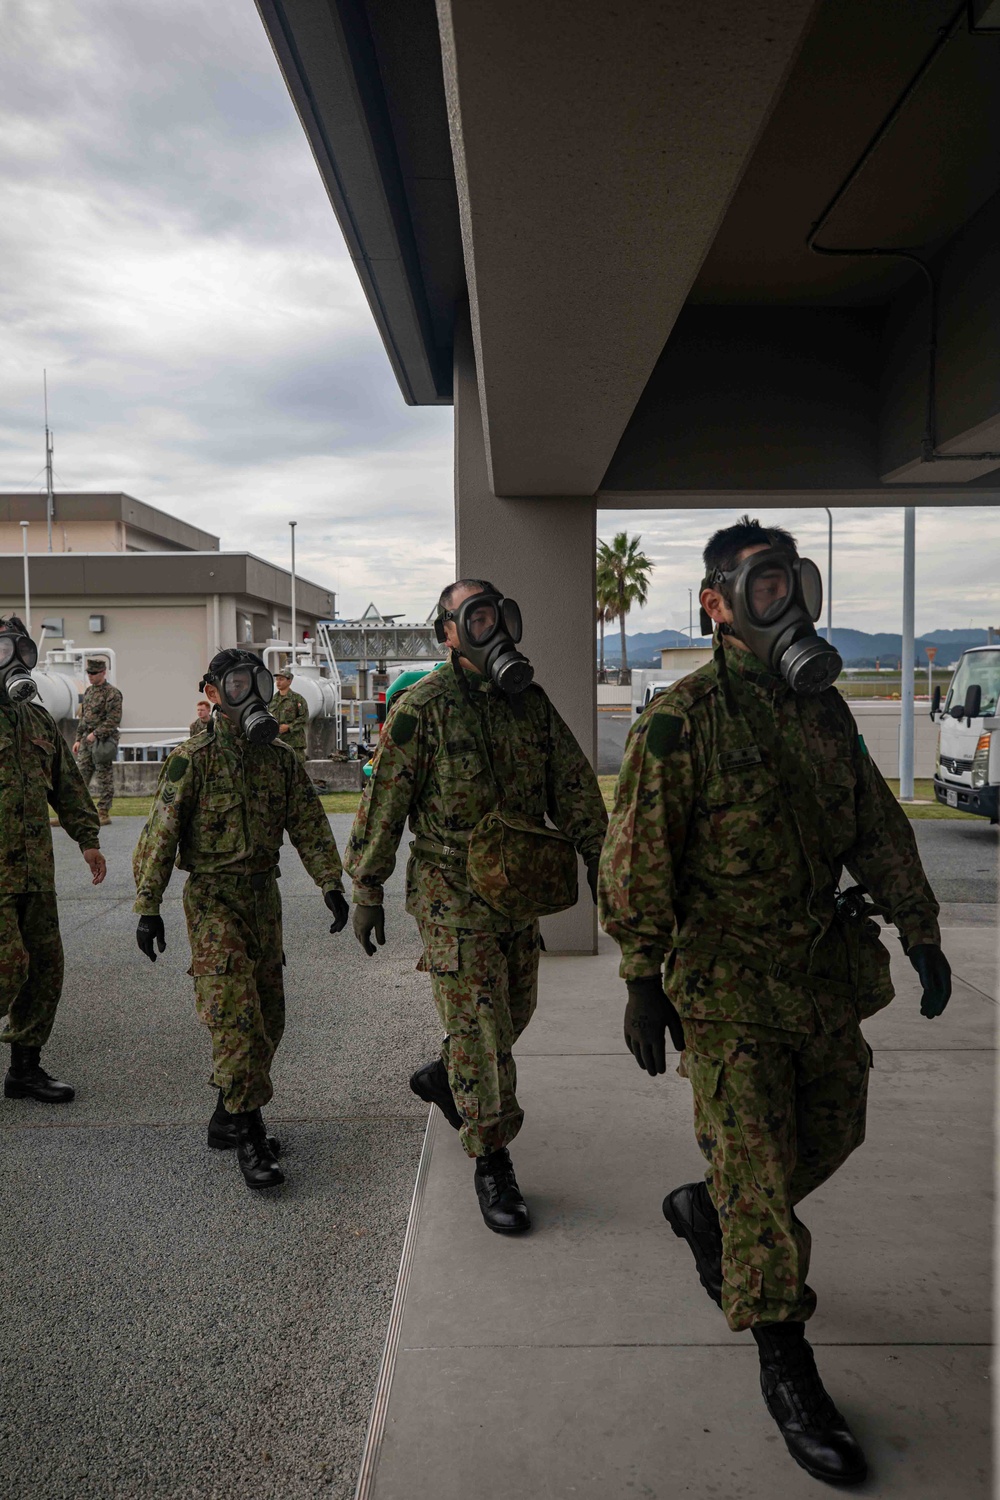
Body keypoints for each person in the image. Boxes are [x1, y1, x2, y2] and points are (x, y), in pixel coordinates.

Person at [599, 516, 951, 1487]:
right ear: (715, 605)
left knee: (834, 1129)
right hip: (723, 992)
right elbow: (634, 866)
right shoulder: (682, 718)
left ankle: (706, 1210)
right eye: (760, 586)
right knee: (759, 1180)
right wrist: (641, 979)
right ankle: (785, 1360)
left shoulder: (824, 712)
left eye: (791, 580)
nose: (781, 600)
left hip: (817, 975)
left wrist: (917, 928)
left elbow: (876, 827)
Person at [345, 579, 607, 1234]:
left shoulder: (531, 703)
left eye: (496, 614)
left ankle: (448, 1075)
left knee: (515, 1010)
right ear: (449, 633)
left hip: (515, 892)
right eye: (475, 617)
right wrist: (368, 888)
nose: (491, 627)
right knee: (484, 1029)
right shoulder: (423, 708)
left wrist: (602, 858)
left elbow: (574, 785)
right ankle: (492, 1158)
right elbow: (385, 805)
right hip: (449, 893)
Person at [132, 648, 349, 1191]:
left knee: (269, 1017)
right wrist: (148, 906)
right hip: (211, 901)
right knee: (235, 1018)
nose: (248, 693)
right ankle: (250, 1133)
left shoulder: (279, 759)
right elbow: (159, 836)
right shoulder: (192, 759)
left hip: (262, 898)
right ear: (212, 693)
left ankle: (229, 1115)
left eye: (256, 682)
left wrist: (331, 883)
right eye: (235, 684)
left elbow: (309, 824)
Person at [0, 617, 106, 1105]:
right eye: (5, 651)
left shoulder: (38, 720)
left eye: (22, 652)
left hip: (35, 875)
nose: (15, 661)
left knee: (45, 969)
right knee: (7, 969)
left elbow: (67, 785)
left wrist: (88, 838)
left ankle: (25, 1069)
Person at [73, 657, 123, 826]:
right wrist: (78, 739)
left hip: (103, 741)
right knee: (80, 776)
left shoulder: (112, 693)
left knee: (104, 776)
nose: (91, 676)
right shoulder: (89, 692)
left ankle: (103, 812)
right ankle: (78, 812)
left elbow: (113, 719)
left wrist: (96, 733)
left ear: (103, 672)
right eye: (89, 673)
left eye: (94, 673)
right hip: (86, 740)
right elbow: (83, 717)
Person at [268, 669, 309, 767]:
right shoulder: (272, 700)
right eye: (277, 679)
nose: (278, 682)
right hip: (277, 743)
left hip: (294, 743)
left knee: (297, 772)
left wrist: (289, 727)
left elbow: (304, 717)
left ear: (289, 681)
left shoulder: (297, 699)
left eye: (281, 679)